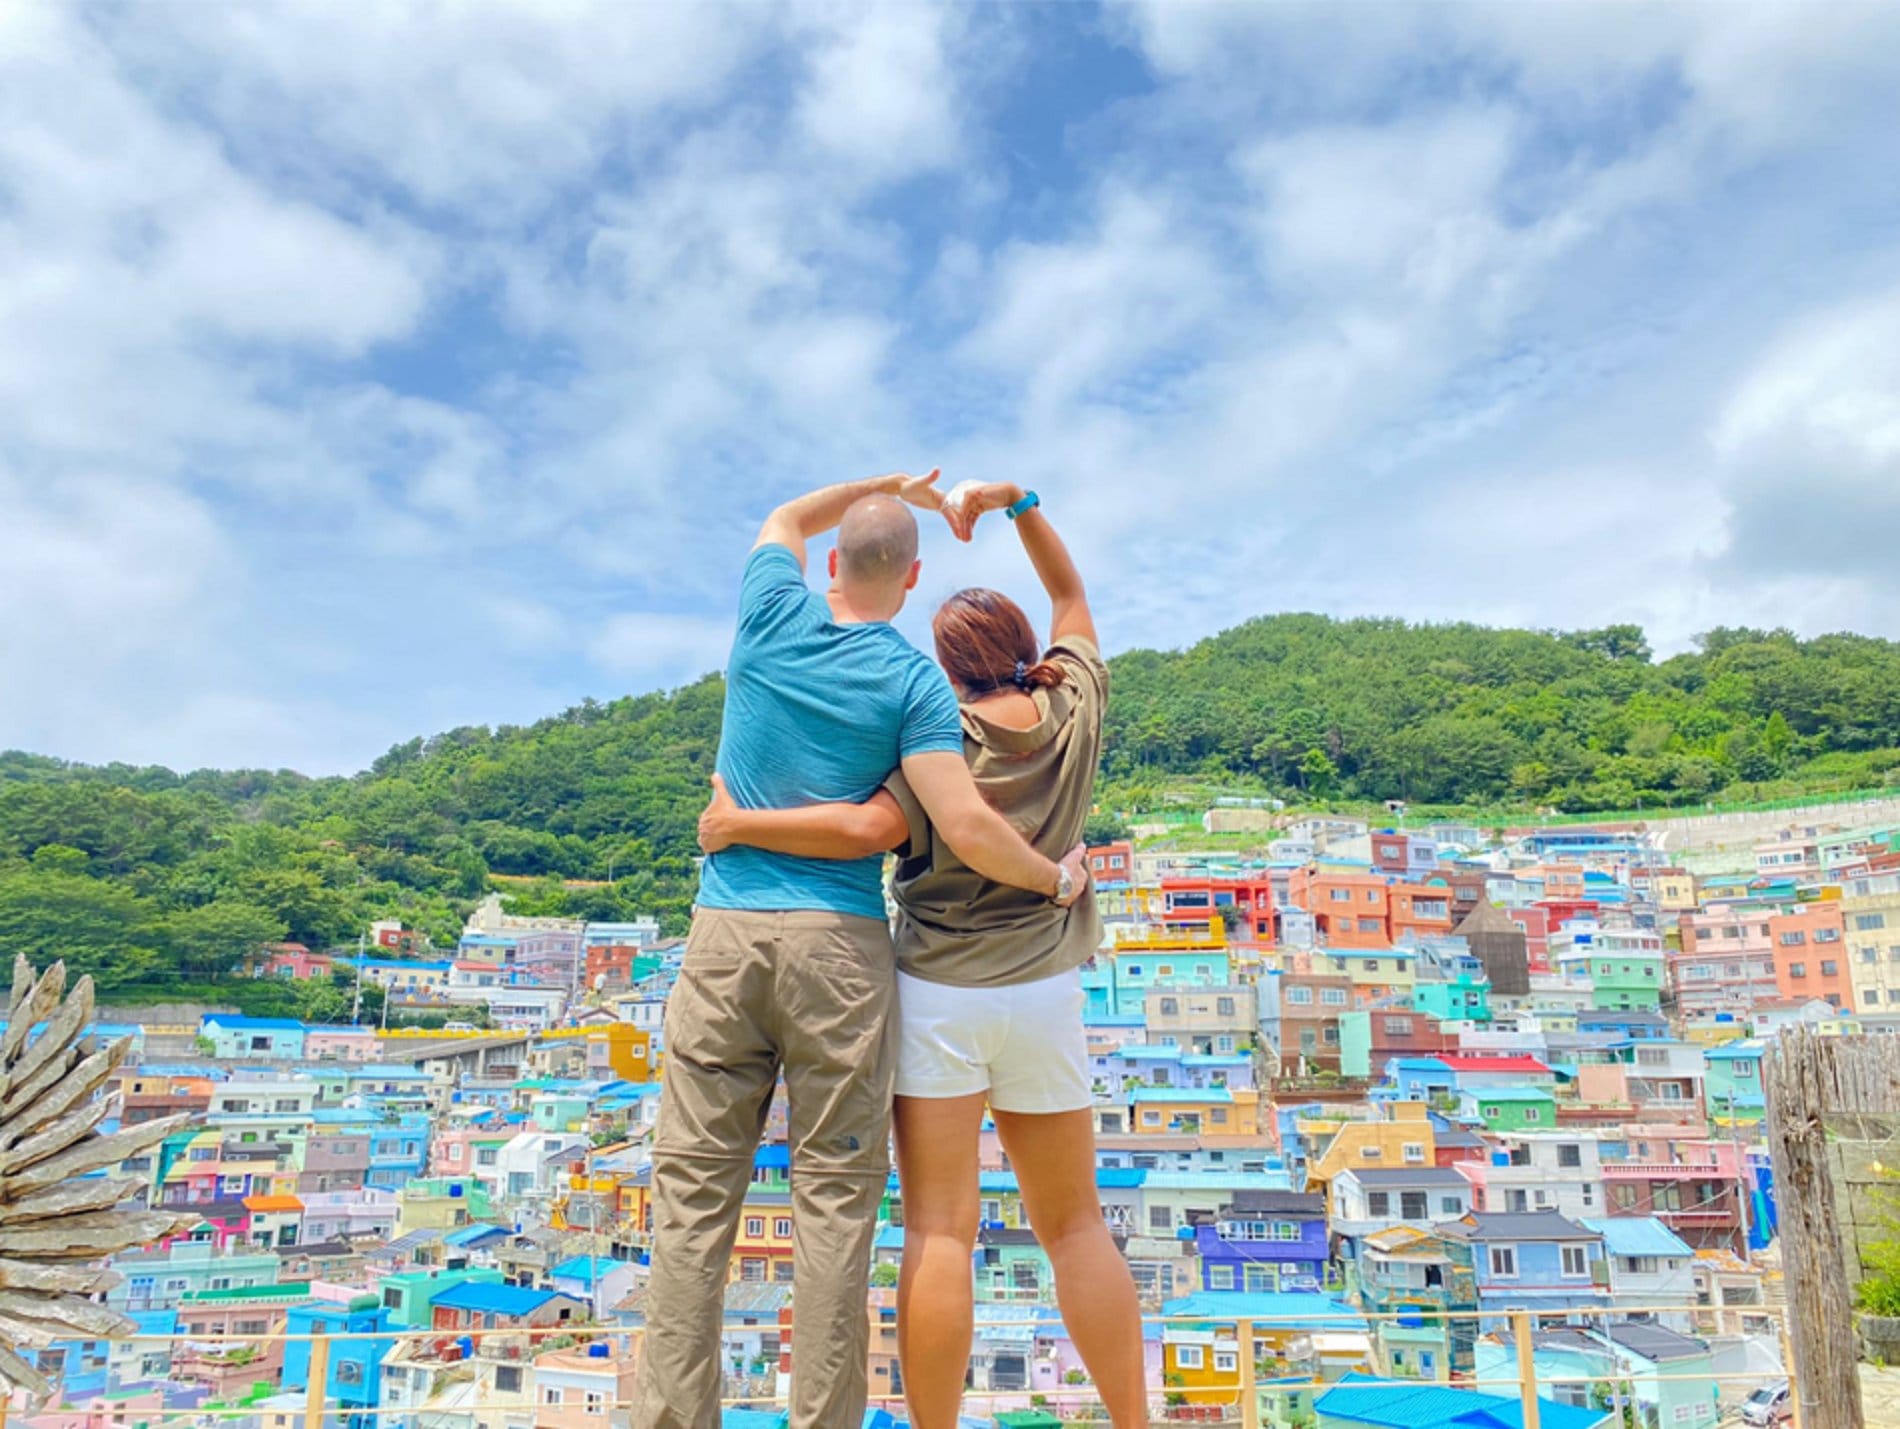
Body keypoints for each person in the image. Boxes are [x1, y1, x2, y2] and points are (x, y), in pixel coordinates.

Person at [635, 471, 1090, 1429]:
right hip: (840, 956)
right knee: (835, 1211)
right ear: (914, 578)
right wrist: (1057, 879)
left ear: (832, 562)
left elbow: (783, 515)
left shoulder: (768, 611)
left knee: (689, 1208)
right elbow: (917, 826)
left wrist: (892, 485)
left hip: (724, 938)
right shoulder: (914, 682)